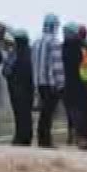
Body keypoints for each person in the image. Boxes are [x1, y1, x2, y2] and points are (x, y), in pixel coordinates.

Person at [32, 14, 65, 149]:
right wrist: (61, 83)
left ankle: (42, 138)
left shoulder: (36, 42)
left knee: (44, 112)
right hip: (51, 83)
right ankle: (46, 140)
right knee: (49, 112)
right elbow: (57, 64)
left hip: (39, 81)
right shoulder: (54, 42)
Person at [61, 21, 87, 147]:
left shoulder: (62, 46)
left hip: (68, 82)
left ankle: (73, 135)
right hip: (82, 83)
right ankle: (81, 136)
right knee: (82, 111)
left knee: (72, 111)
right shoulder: (85, 47)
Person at [6, 28, 35, 146]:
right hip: (29, 86)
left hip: (16, 87)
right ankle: (27, 137)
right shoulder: (31, 52)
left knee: (19, 113)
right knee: (27, 113)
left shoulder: (14, 53)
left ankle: (19, 137)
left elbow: (6, 70)